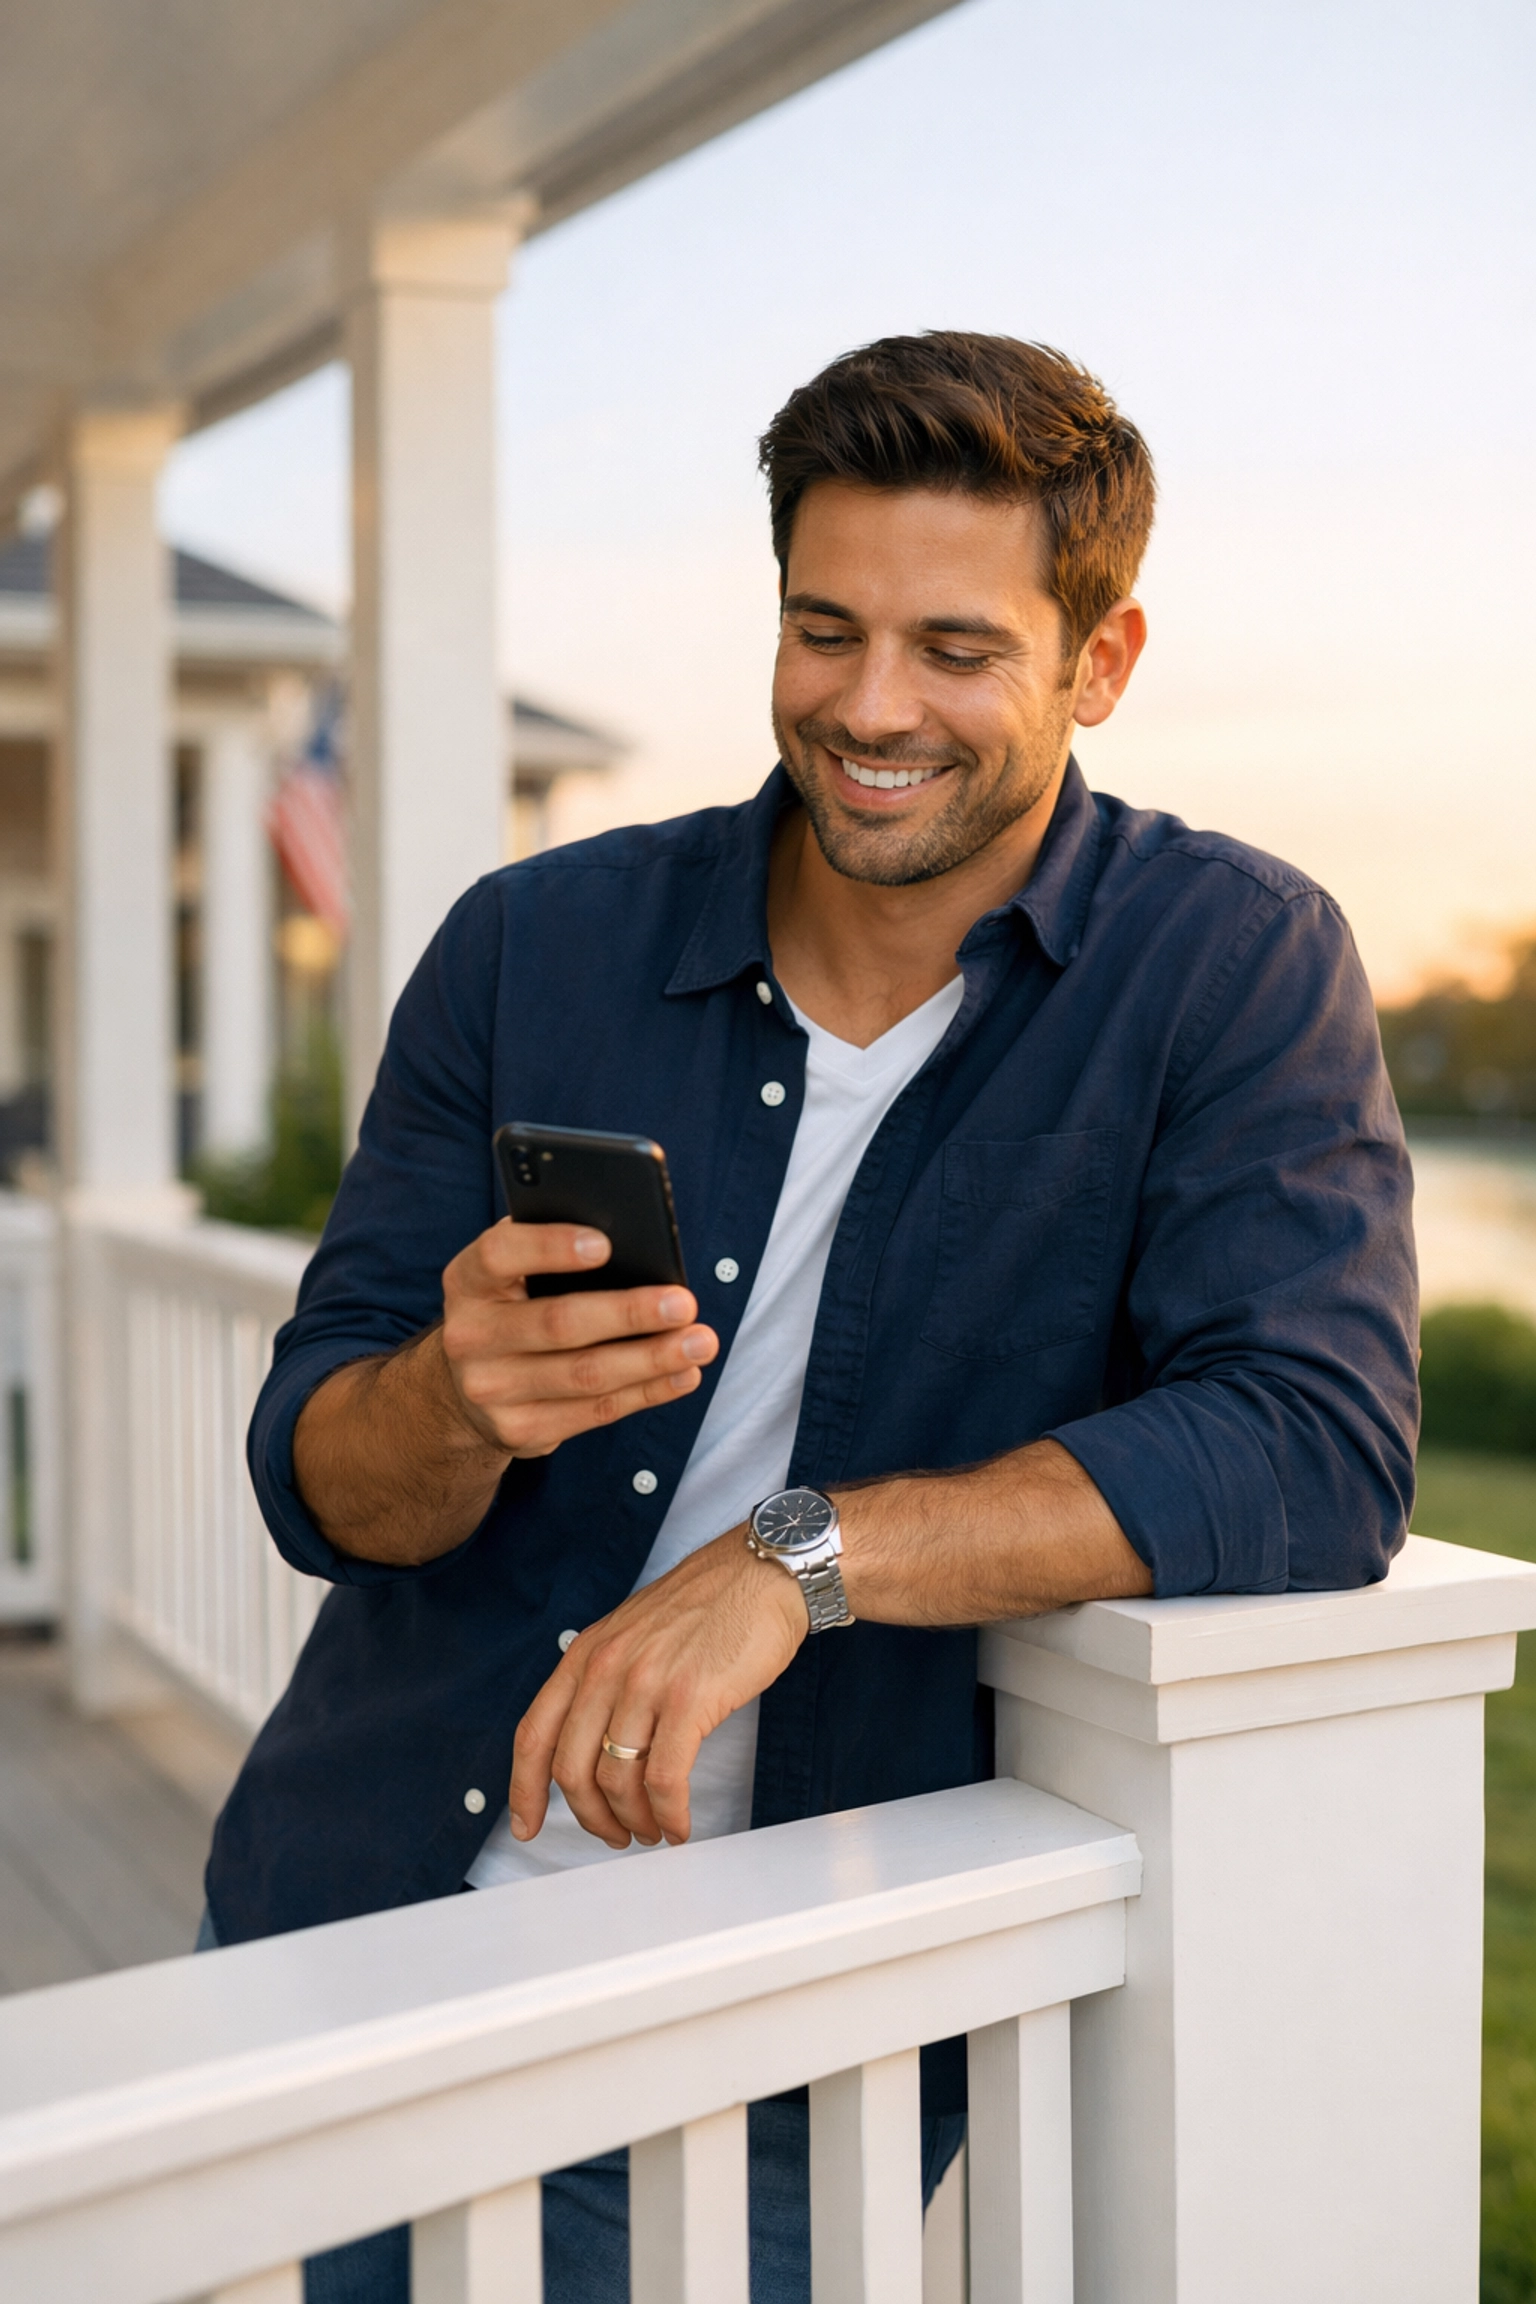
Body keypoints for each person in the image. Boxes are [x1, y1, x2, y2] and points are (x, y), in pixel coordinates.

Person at [210, 333, 1418, 2302]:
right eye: (823, 628)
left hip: (776, 2035)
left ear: (1097, 665)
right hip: (346, 1934)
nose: (869, 708)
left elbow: (1316, 1441)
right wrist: (451, 1398)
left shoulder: (1229, 964)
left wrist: (803, 1557)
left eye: (955, 650)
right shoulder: (536, 943)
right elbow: (319, 1475)